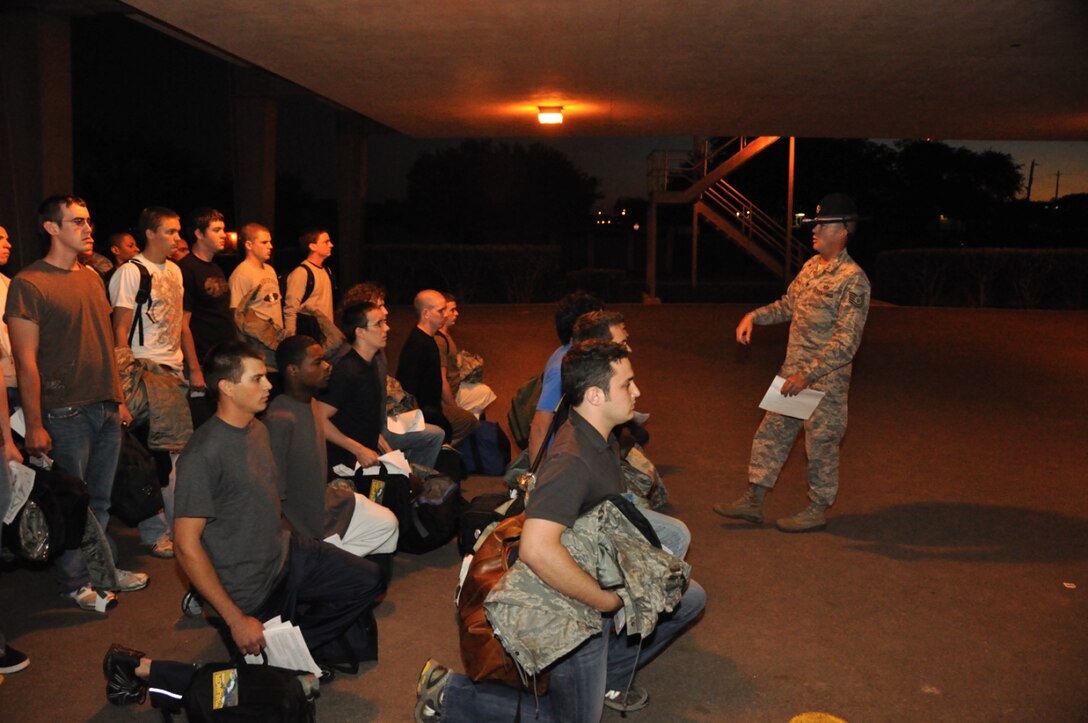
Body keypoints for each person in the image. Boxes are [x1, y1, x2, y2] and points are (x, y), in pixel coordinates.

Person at [415, 341, 706, 722]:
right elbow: (537, 549)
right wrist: (605, 602)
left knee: (689, 598)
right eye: (627, 384)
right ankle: (448, 693)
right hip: (568, 605)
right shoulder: (572, 459)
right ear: (595, 395)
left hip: (597, 572)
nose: (637, 392)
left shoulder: (601, 436)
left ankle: (607, 677)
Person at [173, 340, 383, 660]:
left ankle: (292, 647)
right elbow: (186, 547)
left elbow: (273, 501)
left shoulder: (257, 429)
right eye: (256, 379)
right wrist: (235, 619)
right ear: (227, 387)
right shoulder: (202, 455)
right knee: (272, 694)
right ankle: (278, 650)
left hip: (286, 554)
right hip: (250, 590)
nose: (269, 385)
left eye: (265, 376)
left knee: (370, 581)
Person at [5, 195, 147, 610]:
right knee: (73, 503)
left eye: (89, 221)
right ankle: (74, 582)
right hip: (64, 412)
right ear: (51, 228)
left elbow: (103, 343)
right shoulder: (29, 284)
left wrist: (117, 398)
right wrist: (34, 424)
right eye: (78, 222)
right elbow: (25, 362)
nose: (88, 229)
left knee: (101, 500)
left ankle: (101, 569)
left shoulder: (90, 277)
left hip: (102, 404)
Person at [714, 193, 871, 532]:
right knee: (771, 433)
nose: (812, 229)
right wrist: (753, 316)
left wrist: (808, 374)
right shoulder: (811, 268)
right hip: (793, 375)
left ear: (842, 230)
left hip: (824, 382)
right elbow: (787, 306)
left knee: (821, 448)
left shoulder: (853, 279)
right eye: (813, 223)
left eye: (821, 225)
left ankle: (817, 509)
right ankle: (753, 501)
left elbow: (847, 342)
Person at [108, 207, 200, 559]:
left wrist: (192, 368)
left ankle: (179, 532)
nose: (178, 238)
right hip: (146, 373)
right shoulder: (130, 273)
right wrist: (120, 387)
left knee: (172, 457)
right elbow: (118, 330)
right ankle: (160, 532)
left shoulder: (175, 271)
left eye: (178, 231)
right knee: (158, 459)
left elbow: (178, 324)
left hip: (173, 372)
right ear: (150, 233)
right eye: (171, 231)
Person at [266, 334, 398, 558]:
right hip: (307, 517)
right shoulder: (281, 419)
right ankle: (325, 562)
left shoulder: (312, 403)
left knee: (388, 525)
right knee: (383, 529)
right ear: (293, 370)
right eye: (317, 362)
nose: (328, 366)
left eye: (325, 360)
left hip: (326, 500)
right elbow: (273, 492)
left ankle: (331, 561)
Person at [320, 301, 443, 470]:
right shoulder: (347, 371)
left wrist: (384, 447)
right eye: (379, 324)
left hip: (367, 455)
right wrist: (359, 449)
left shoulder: (371, 364)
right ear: (360, 332)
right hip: (346, 464)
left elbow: (361, 417)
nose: (387, 328)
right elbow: (319, 417)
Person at [527, 291, 604, 461]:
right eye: (599, 320)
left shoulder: (569, 354)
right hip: (567, 458)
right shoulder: (562, 368)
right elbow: (540, 426)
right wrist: (536, 480)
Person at [397, 289, 478, 445]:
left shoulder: (428, 339)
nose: (445, 315)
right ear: (426, 313)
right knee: (467, 422)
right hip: (424, 410)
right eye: (441, 311)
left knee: (464, 422)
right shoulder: (419, 344)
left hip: (431, 406)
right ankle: (440, 451)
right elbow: (408, 389)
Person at [228, 222, 283, 375]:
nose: (270, 246)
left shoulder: (270, 270)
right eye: (264, 242)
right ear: (249, 245)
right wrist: (245, 352)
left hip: (276, 340)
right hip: (258, 343)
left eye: (270, 241)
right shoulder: (241, 274)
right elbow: (236, 315)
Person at [434, 293, 496, 417]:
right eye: (452, 310)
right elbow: (441, 380)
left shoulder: (444, 335)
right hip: (450, 394)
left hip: (455, 386)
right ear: (442, 313)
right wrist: (453, 407)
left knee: (479, 391)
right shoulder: (439, 340)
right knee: (485, 393)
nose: (456, 313)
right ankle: (466, 426)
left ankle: (470, 424)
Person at [283, 228, 335, 336]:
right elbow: (291, 309)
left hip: (326, 335)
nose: (331, 245)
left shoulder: (326, 270)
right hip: (310, 336)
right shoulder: (301, 273)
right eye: (326, 242)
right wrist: (291, 338)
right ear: (312, 246)